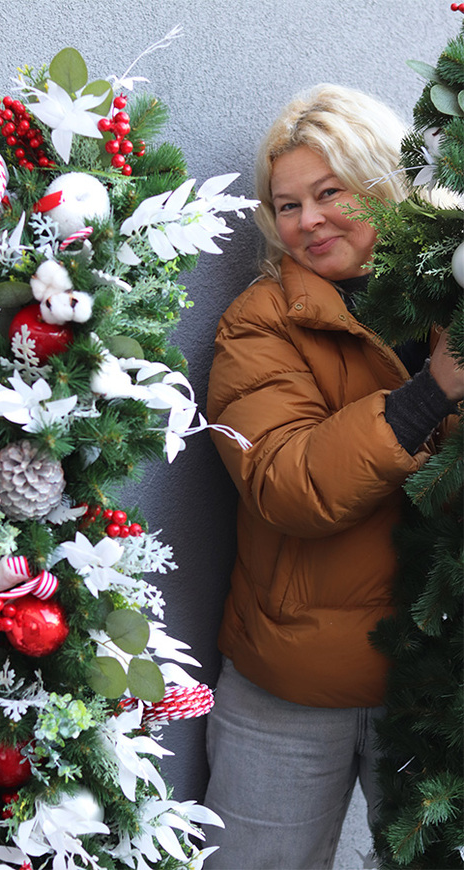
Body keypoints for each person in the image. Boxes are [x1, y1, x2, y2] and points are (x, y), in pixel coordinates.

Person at [203, 84, 464, 870]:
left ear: (383, 181)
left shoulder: (451, 297)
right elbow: (285, 481)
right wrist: (430, 393)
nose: (308, 221)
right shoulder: (261, 321)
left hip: (436, 680)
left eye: (330, 192)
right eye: (287, 205)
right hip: (291, 687)